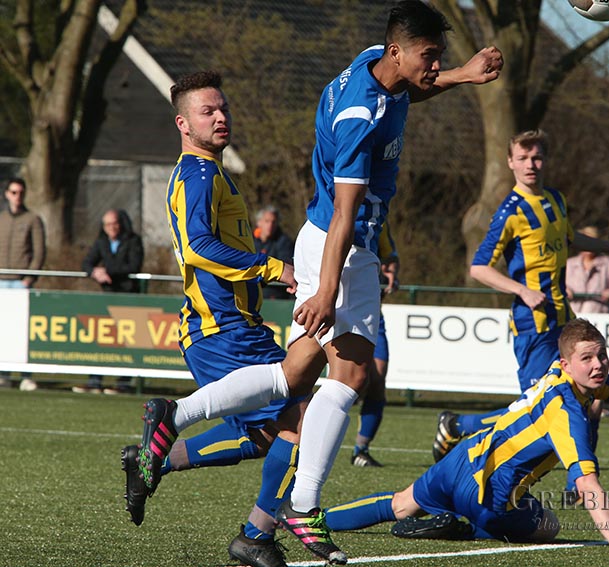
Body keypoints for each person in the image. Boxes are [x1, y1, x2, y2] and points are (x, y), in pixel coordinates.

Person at [133, 4, 503, 565]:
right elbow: (345, 214)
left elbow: (407, 90)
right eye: (431, 56)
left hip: (324, 240)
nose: (435, 65)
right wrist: (326, 289)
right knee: (348, 376)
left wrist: (461, 75)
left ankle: (195, 443)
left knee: (295, 375)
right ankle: (302, 505)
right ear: (398, 52)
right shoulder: (357, 117)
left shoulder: (372, 64)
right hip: (342, 248)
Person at [323, 318, 609, 555]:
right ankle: (462, 528)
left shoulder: (565, 376)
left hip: (459, 460)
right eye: (588, 358)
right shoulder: (568, 413)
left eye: (602, 355)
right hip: (488, 496)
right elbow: (587, 484)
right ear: (566, 363)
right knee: (548, 524)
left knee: (399, 504)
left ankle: (311, 519)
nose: (598, 365)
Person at [122, 70, 309, 567]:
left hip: (231, 328)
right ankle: (256, 535)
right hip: (222, 329)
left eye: (223, 108)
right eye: (208, 111)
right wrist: (274, 267)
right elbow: (197, 248)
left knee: (267, 434)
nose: (221, 117)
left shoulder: (213, 172)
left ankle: (153, 460)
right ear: (183, 123)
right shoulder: (199, 174)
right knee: (302, 418)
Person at [433, 130, 609, 461]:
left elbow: (571, 238)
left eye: (537, 157)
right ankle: (457, 425)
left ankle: (579, 481)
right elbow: (479, 268)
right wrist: (522, 290)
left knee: (591, 396)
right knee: (538, 409)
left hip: (564, 318)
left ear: (546, 160)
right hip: (533, 324)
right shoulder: (509, 212)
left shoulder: (555, 199)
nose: (531, 165)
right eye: (523, 158)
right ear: (510, 162)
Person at [73, 209, 144, 395]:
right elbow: (87, 263)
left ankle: (123, 383)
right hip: (108, 297)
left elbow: (133, 266)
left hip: (128, 297)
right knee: (101, 339)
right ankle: (95, 381)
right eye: (107, 225)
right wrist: (94, 272)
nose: (111, 228)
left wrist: (107, 271)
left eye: (114, 223)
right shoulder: (101, 242)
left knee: (127, 341)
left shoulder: (133, 241)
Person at [352, 221, 400, 467]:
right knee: (353, 381)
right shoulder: (333, 210)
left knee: (377, 380)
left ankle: (360, 450)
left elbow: (390, 256)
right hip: (341, 305)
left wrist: (391, 271)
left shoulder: (379, 217)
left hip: (372, 309)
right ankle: (299, 439)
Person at [0, 177, 45, 391]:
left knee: (22, 331)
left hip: (20, 283)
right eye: (14, 192)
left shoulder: (32, 219)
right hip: (1, 281)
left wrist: (29, 277)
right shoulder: (1, 219)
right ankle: (4, 374)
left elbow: (39, 251)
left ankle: (26, 376)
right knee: (3, 330)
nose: (17, 196)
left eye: (21, 192)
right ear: (7, 194)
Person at [566, 225, 609, 314]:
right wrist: (565, 290)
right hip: (573, 314)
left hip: (599, 315)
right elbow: (557, 285)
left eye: (591, 242)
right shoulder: (569, 263)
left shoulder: (607, 263)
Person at [253, 205, 295, 300]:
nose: (270, 225)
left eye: (274, 222)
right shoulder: (250, 241)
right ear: (259, 222)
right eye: (267, 221)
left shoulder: (284, 242)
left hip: (275, 294)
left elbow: (286, 266)